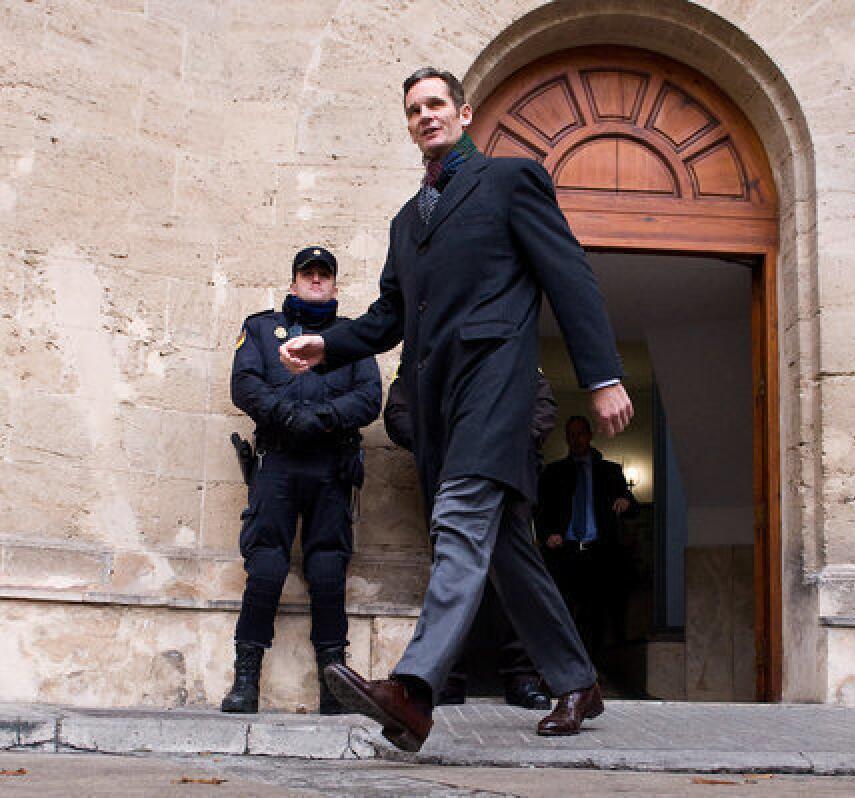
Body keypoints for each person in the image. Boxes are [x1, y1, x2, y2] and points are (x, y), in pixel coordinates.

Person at [278, 67, 633, 751]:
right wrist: (329, 343)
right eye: (414, 109)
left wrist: (603, 375)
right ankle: (577, 679)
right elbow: (389, 316)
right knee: (503, 549)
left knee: (460, 524)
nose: (425, 116)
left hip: (498, 387)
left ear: (464, 113)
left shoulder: (509, 181)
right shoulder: (406, 222)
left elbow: (568, 273)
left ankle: (413, 693)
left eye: (436, 104)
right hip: (441, 407)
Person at [222, 246, 382, 715]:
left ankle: (333, 684)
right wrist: (289, 416)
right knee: (267, 567)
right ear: (293, 283)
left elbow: (369, 396)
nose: (316, 280)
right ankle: (246, 679)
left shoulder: (351, 337)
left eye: (323, 275)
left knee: (329, 570)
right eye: (307, 274)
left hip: (330, 467)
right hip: (279, 462)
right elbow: (245, 384)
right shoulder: (259, 327)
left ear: (334, 285)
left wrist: (327, 418)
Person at [383, 360, 557, 710]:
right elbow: (398, 413)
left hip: (508, 479)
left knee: (516, 579)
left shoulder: (510, 350)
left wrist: (504, 445)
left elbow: (543, 408)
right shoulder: (427, 354)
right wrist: (440, 444)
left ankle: (522, 677)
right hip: (451, 479)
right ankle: (447, 677)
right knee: (451, 578)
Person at [538, 416, 638, 660]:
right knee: (564, 610)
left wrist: (625, 502)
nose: (576, 439)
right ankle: (565, 664)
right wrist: (548, 535)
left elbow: (632, 505)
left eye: (581, 433)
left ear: (589, 435)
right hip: (567, 552)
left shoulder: (609, 471)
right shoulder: (554, 472)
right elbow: (541, 511)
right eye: (571, 434)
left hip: (601, 552)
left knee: (599, 612)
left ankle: (595, 667)